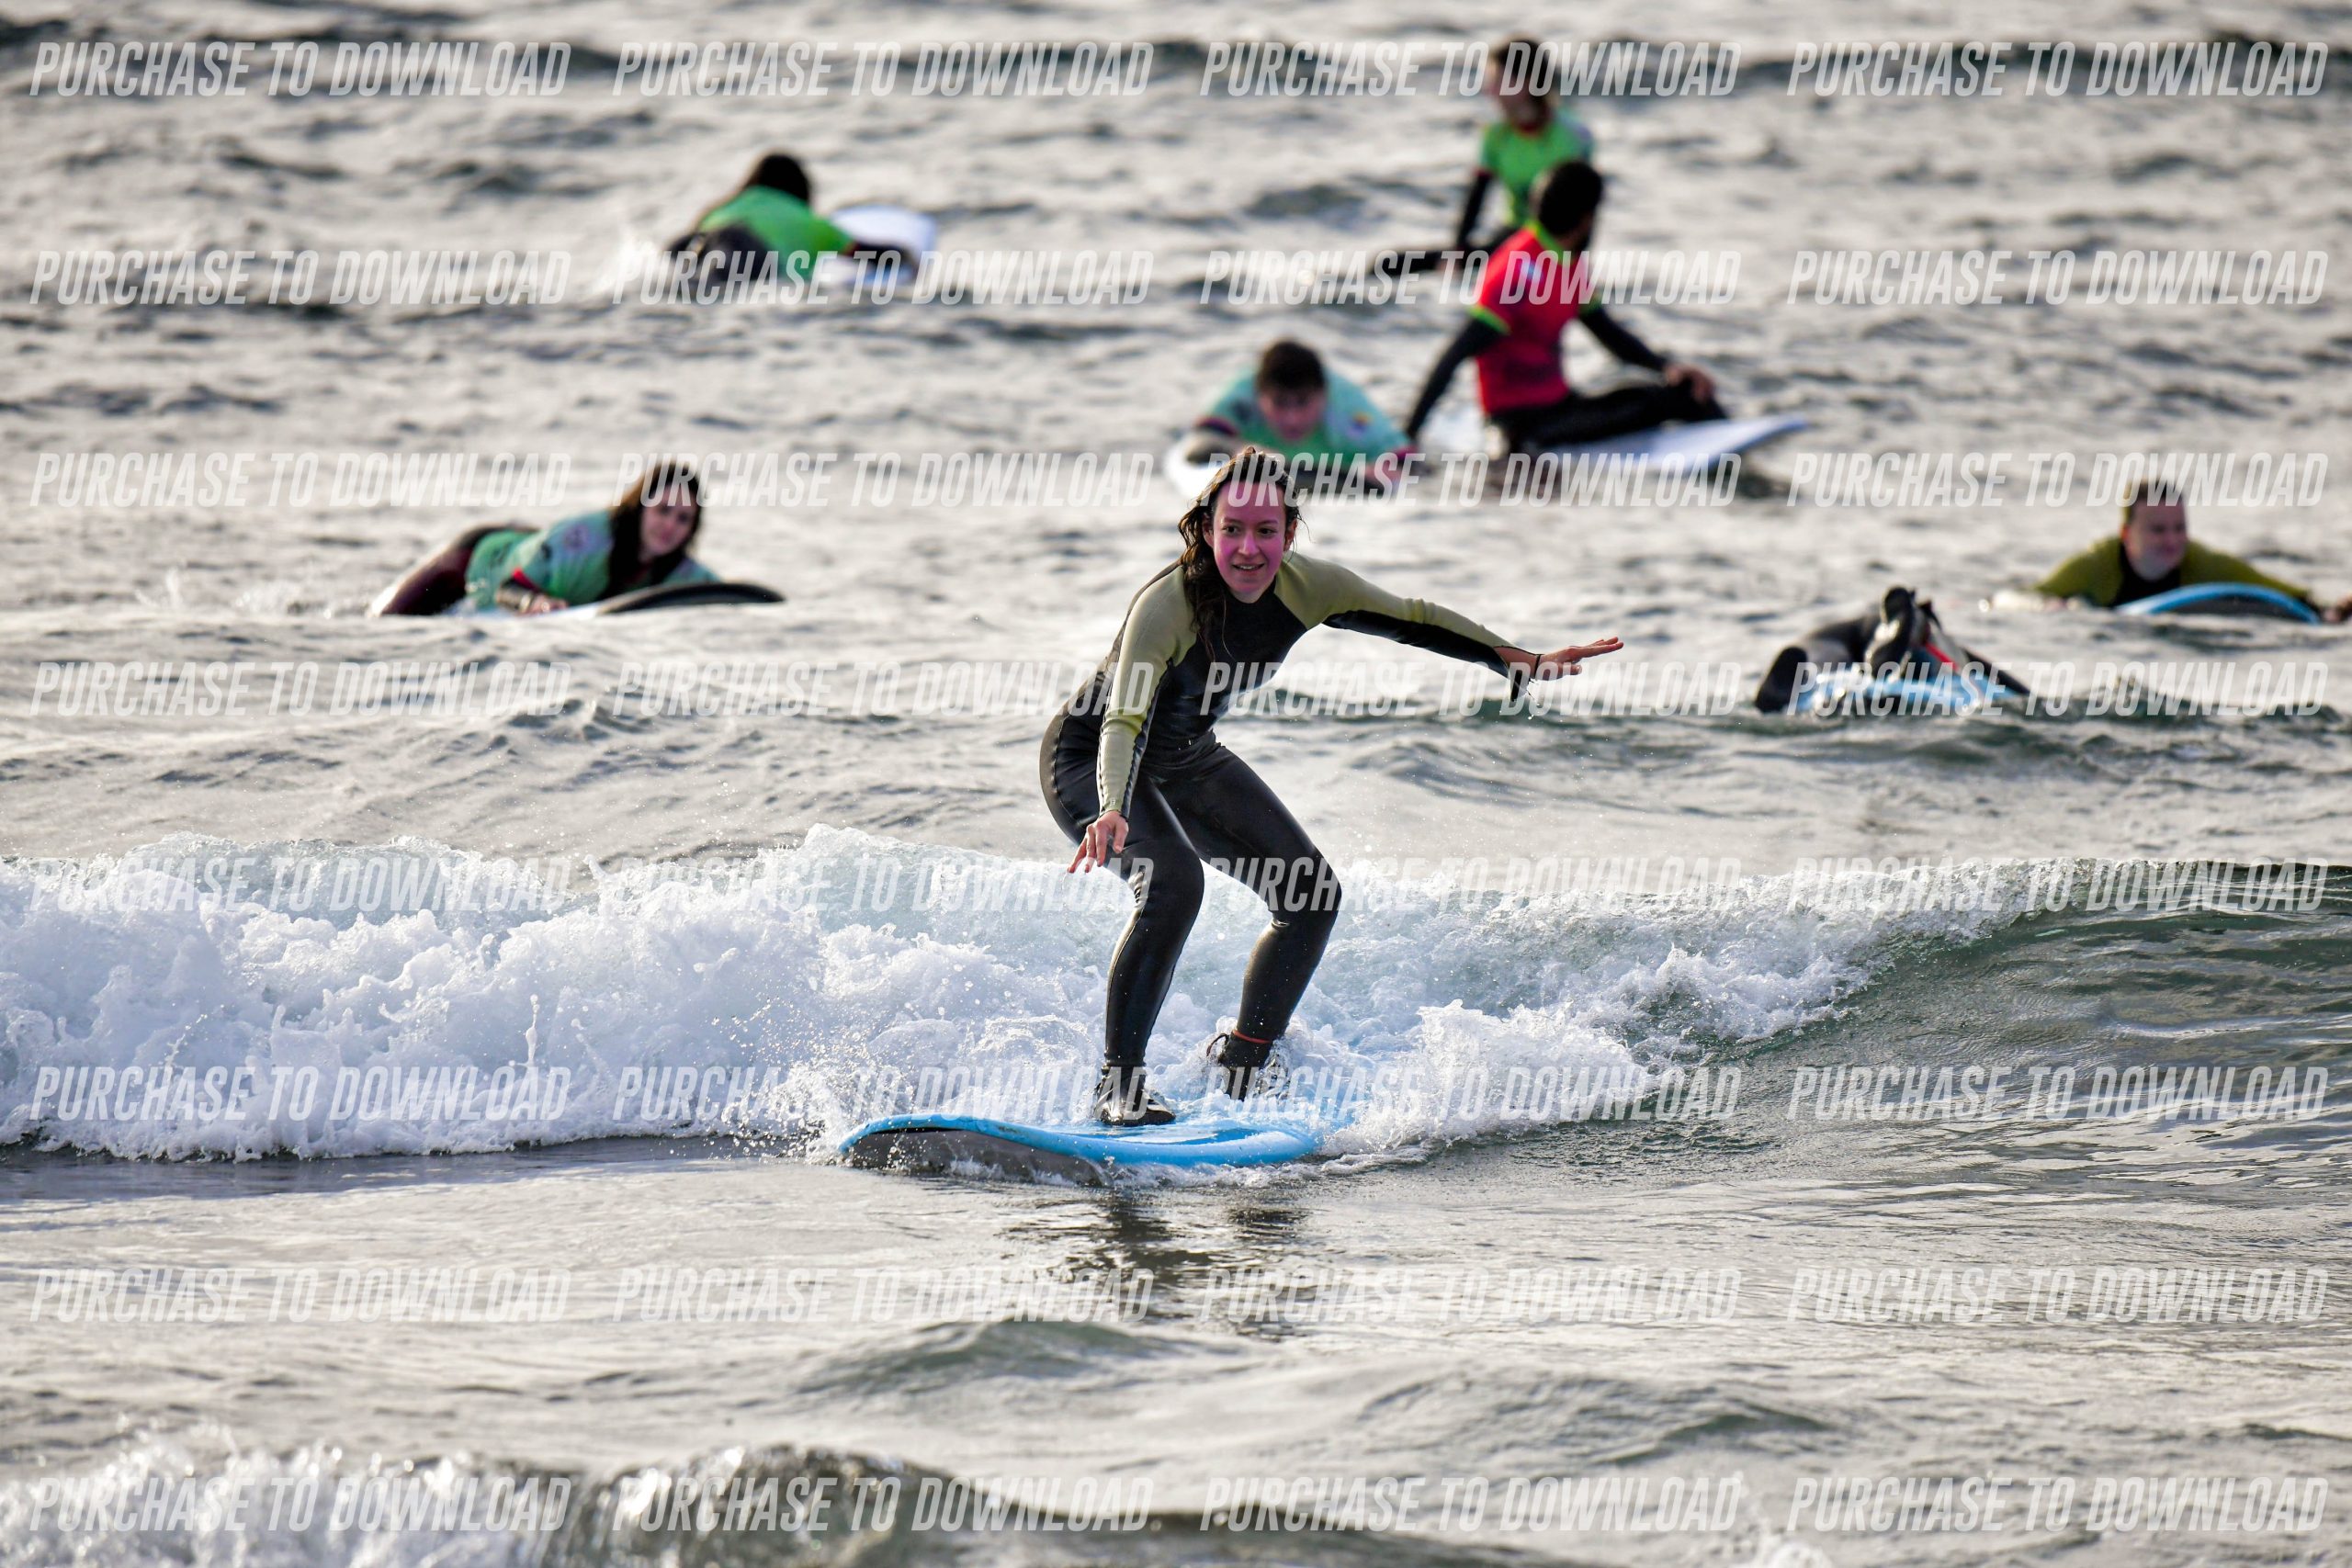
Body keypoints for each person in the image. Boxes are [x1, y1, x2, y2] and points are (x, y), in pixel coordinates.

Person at [1042, 447, 1624, 1124]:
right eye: (1232, 530)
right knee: (1173, 884)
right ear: (1205, 530)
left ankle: (1244, 1064)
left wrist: (1515, 659)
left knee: (1310, 893)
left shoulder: (1308, 588)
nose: (1249, 549)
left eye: (1266, 531)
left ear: (1290, 532)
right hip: (1090, 759)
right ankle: (1118, 1087)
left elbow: (1411, 616)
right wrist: (1113, 806)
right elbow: (1122, 720)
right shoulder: (1166, 607)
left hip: (1184, 758)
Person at [1403, 163, 1724, 455]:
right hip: (1518, 427)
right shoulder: (1516, 272)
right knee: (1677, 402)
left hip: (1561, 409)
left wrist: (1668, 368)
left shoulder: (1567, 263)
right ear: (1587, 220)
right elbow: (1453, 356)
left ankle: (1726, 457)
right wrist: (1408, 438)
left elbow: (1609, 334)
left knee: (1688, 392)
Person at [370, 463, 715, 616]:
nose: (670, 526)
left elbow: (724, 597)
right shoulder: (584, 541)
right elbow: (509, 589)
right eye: (663, 510)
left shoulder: (682, 571)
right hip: (476, 559)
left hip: (535, 543)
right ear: (639, 508)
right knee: (386, 624)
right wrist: (533, 603)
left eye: (683, 518)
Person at [2035, 480, 2350, 620]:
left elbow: (2277, 592)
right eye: (2158, 530)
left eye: (2180, 528)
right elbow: (2028, 597)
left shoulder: (2200, 562)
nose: (2173, 541)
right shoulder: (2096, 565)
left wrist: (2326, 611)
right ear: (2126, 534)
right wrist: (2050, 606)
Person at [1182, 340, 1414, 490]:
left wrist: (1383, 471)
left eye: (1303, 403)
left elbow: (1408, 461)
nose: (1292, 418)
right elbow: (1201, 443)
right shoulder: (1242, 398)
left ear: (1323, 395)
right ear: (1259, 396)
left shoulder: (1347, 410)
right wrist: (1241, 451)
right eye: (1279, 403)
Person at [1755, 587, 2028, 712]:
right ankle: (1900, 633)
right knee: (1905, 653)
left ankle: (1894, 647)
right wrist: (2027, 698)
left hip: (1829, 644)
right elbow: (1993, 674)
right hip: (1871, 636)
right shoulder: (1940, 641)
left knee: (1816, 661)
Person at [1453, 36, 1597, 259]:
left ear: (1527, 83)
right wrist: (1456, 252)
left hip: (1554, 246)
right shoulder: (1496, 135)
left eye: (1498, 81)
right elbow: (1476, 199)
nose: (1490, 90)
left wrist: (1571, 264)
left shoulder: (1572, 137)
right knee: (1397, 262)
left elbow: (1585, 214)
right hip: (1510, 237)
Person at [669, 152, 904, 281]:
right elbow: (878, 256)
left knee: (688, 277)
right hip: (752, 252)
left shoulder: (719, 208)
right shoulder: (811, 224)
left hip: (698, 242)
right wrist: (907, 254)